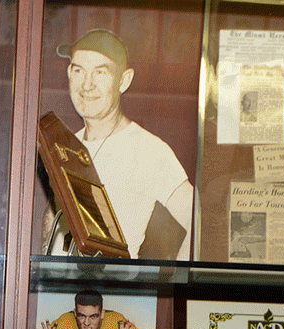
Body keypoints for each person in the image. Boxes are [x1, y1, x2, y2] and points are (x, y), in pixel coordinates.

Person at [57, 29, 193, 260]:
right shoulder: (64, 146)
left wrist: (172, 284)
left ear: (124, 80)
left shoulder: (149, 150)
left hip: (116, 292)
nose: (86, 85)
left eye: (100, 72)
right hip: (59, 292)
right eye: (79, 70)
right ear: (69, 73)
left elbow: (195, 219)